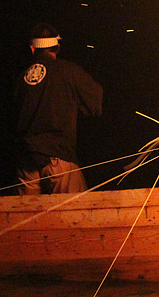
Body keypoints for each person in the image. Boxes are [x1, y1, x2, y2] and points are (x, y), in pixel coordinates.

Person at [12, 23, 102, 194]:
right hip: (58, 158)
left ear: (32, 50)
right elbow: (96, 104)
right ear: (57, 47)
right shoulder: (68, 71)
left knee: (25, 217)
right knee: (75, 214)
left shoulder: (20, 79)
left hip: (26, 163)